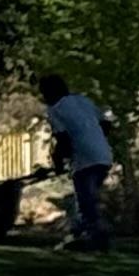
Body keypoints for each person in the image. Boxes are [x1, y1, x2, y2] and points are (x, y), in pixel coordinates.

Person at [35, 72, 115, 251]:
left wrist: (57, 162)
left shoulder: (56, 109)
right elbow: (106, 124)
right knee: (86, 199)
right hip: (103, 155)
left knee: (86, 202)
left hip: (85, 158)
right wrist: (93, 137)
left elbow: (62, 140)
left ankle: (96, 238)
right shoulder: (83, 100)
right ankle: (79, 234)